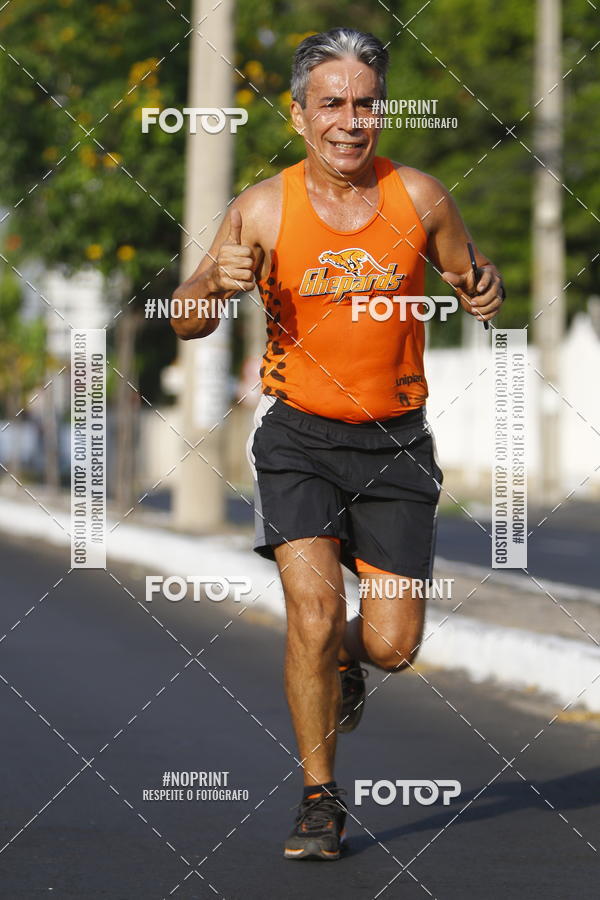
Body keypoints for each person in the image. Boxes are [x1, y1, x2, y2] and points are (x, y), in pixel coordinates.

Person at [171, 27, 504, 861]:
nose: (351, 121)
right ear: (299, 115)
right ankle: (320, 799)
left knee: (393, 645)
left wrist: (481, 286)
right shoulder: (263, 206)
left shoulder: (421, 197)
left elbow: (471, 273)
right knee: (313, 617)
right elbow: (185, 319)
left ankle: (346, 667)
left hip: (395, 443)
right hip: (298, 439)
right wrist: (213, 282)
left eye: (365, 103)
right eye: (332, 104)